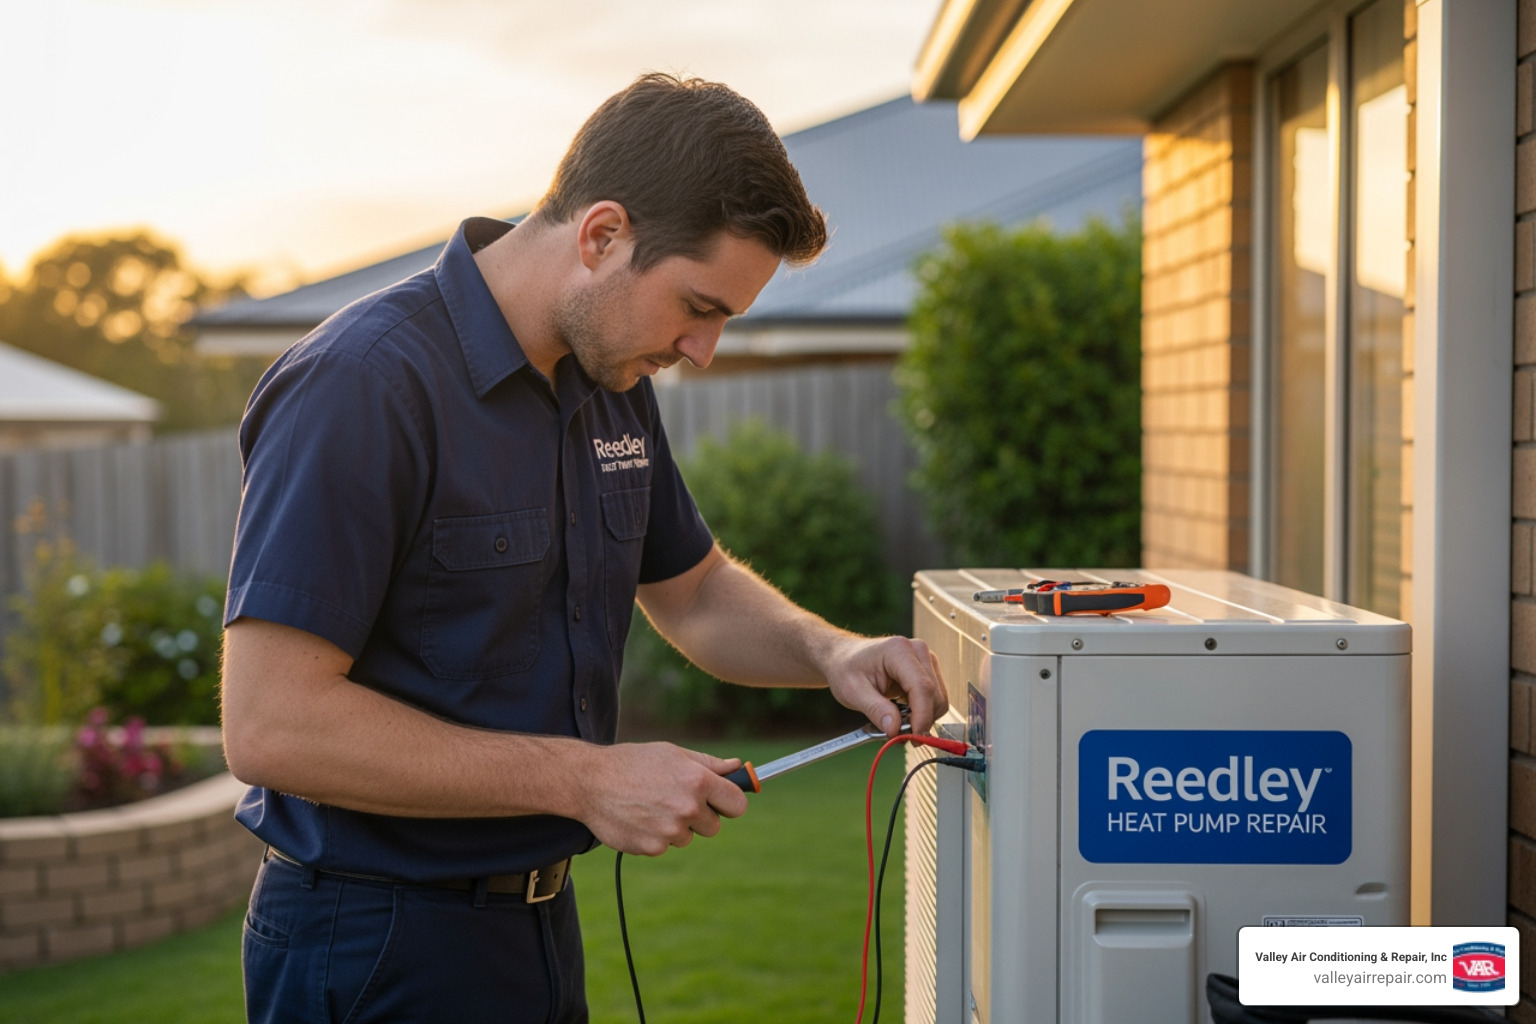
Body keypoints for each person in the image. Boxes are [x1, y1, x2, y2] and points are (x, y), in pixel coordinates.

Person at [220, 73, 948, 1024]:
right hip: (374, 943)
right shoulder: (362, 385)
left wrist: (833, 652)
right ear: (602, 235)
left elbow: (693, 589)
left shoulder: (609, 374)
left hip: (535, 927)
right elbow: (272, 724)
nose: (704, 350)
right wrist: (586, 778)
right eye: (699, 305)